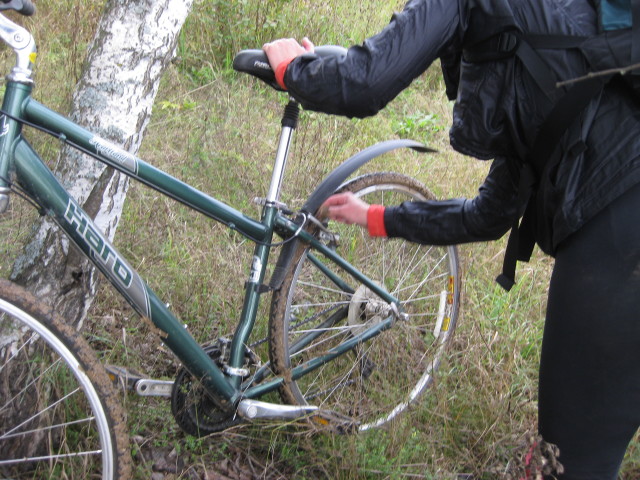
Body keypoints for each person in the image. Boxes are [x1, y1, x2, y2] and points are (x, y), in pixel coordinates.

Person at [263, 1, 640, 479]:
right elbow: (489, 215)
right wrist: (376, 216)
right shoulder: (541, 43)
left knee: (572, 462)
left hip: (623, 239)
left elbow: (364, 83)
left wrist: (292, 70)